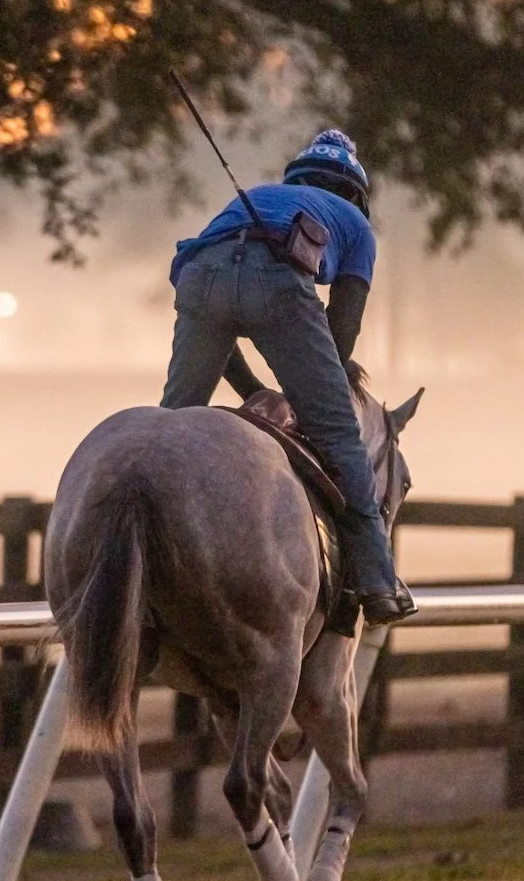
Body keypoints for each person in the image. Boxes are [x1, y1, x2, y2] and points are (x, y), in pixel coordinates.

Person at [160, 129, 415, 625]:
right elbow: (341, 334)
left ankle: (156, 565)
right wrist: (306, 393)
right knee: (339, 433)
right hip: (276, 290)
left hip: (198, 278)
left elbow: (203, 295)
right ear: (355, 194)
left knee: (171, 424)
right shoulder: (357, 227)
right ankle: (377, 579)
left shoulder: (257, 195)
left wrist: (253, 391)